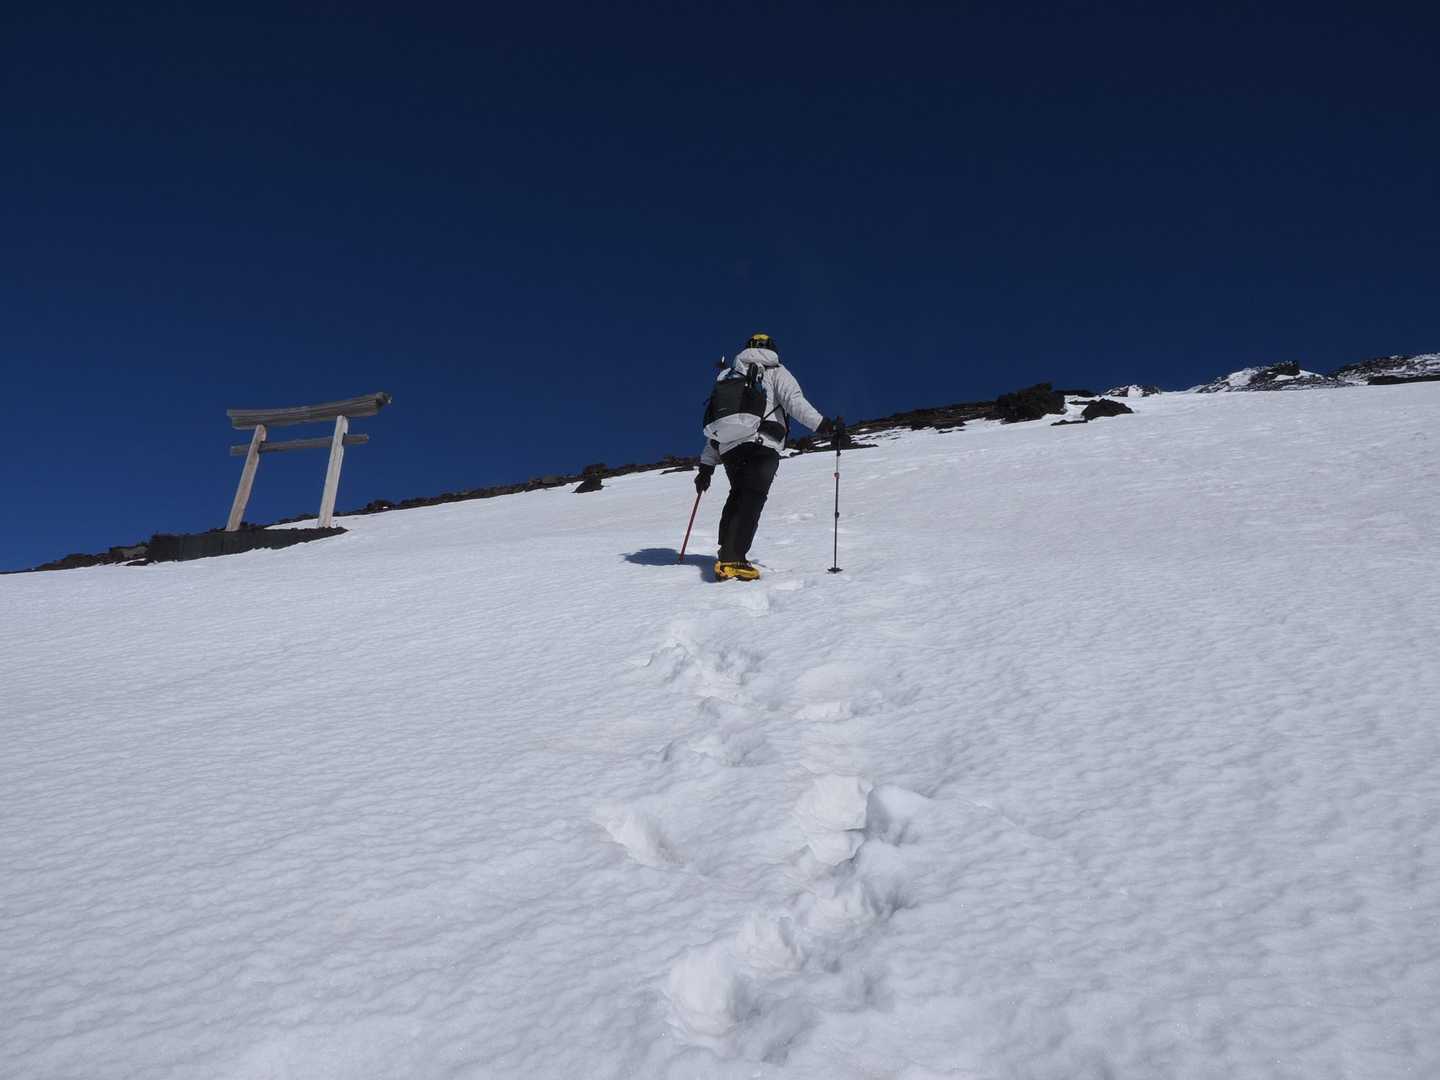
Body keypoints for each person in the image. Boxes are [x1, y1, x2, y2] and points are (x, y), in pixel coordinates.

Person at [695, 333, 840, 581]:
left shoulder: (731, 374)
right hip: (761, 444)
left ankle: (726, 550)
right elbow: (794, 402)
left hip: (729, 449)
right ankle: (732, 558)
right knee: (752, 497)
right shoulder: (776, 370)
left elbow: (720, 422)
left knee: (738, 494)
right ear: (772, 349)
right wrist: (824, 425)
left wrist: (706, 467)